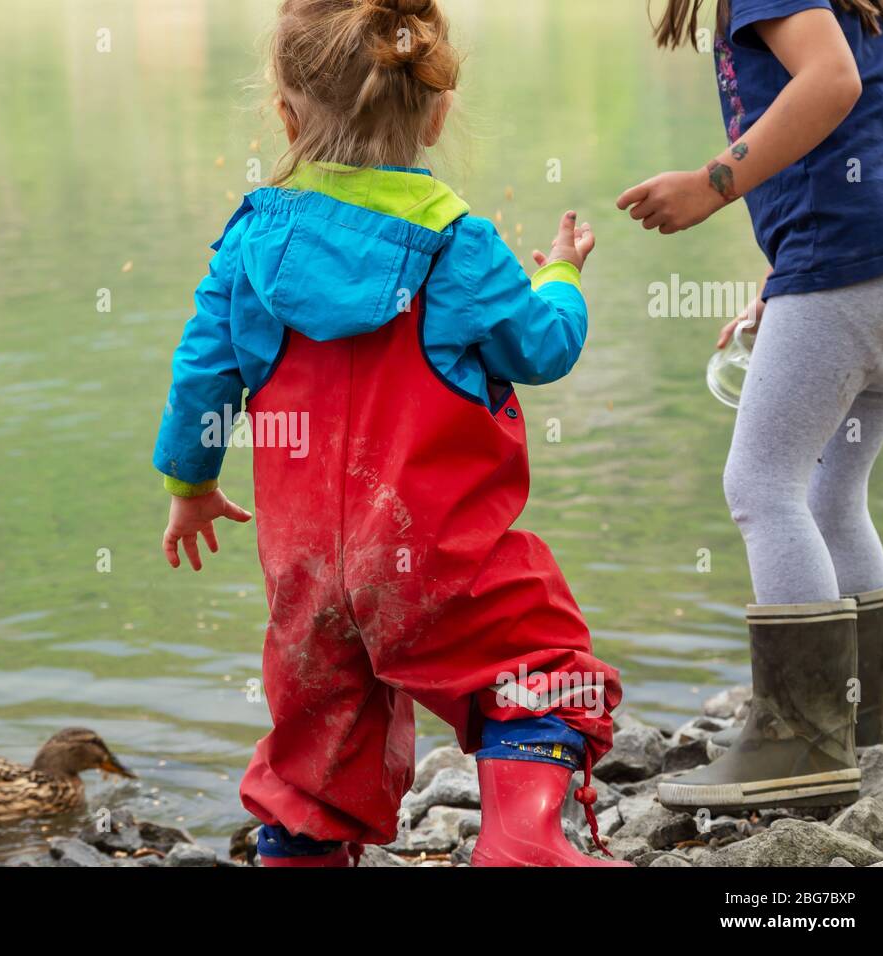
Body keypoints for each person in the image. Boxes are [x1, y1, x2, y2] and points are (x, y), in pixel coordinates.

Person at [153, 0, 627, 867]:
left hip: (306, 571)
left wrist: (190, 486)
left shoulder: (250, 241)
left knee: (318, 737)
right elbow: (544, 347)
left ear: (287, 116)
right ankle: (520, 838)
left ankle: (298, 855)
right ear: (438, 112)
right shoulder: (459, 247)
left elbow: (201, 378)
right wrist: (560, 276)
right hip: (434, 557)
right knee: (539, 663)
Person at [620, 0, 883, 812]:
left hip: (842, 271)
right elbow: (875, 131)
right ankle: (860, 720)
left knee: (763, 487)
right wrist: (781, 282)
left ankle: (800, 739)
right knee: (831, 491)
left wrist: (713, 185)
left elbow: (832, 82)